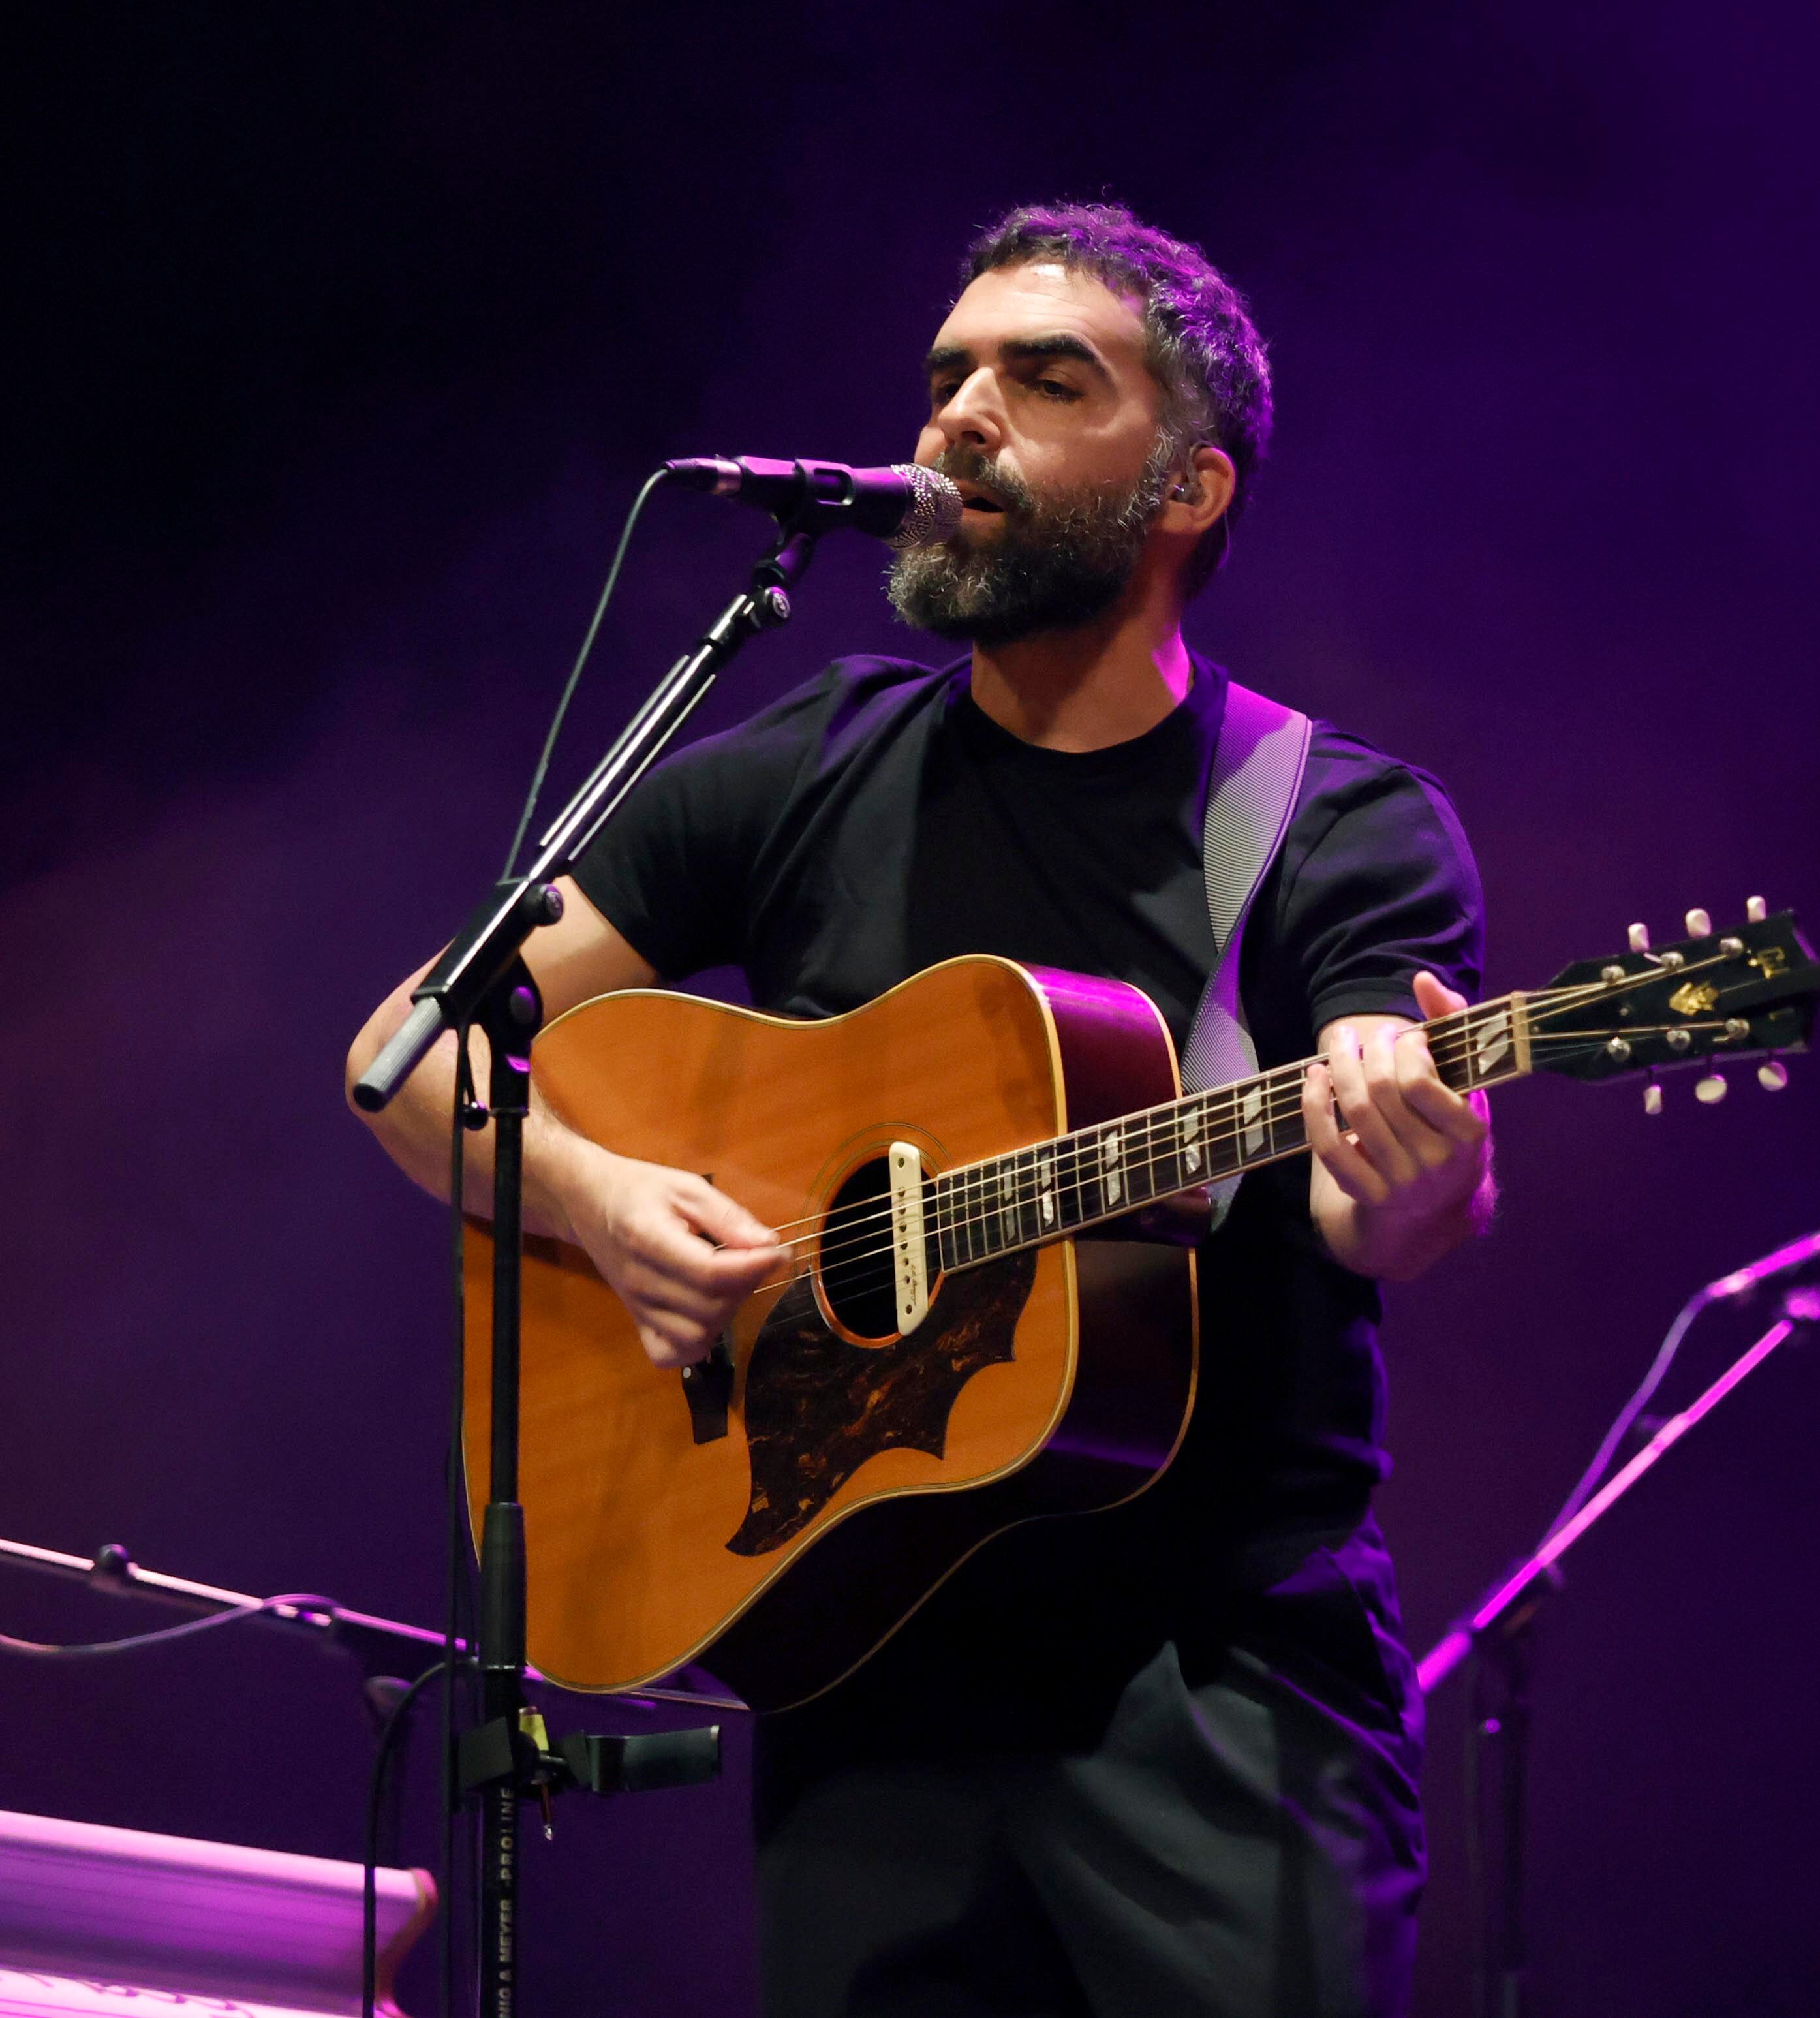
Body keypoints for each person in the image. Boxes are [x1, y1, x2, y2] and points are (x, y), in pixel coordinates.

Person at [345, 202, 1490, 2018]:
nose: (958, 416)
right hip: (866, 1655)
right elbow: (410, 1051)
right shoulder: (806, 762)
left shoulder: (1327, 821)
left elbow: (1381, 1210)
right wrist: (597, 1199)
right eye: (946, 372)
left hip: (1216, 1693)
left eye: (1044, 381)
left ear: (1183, 489)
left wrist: (1420, 1162)